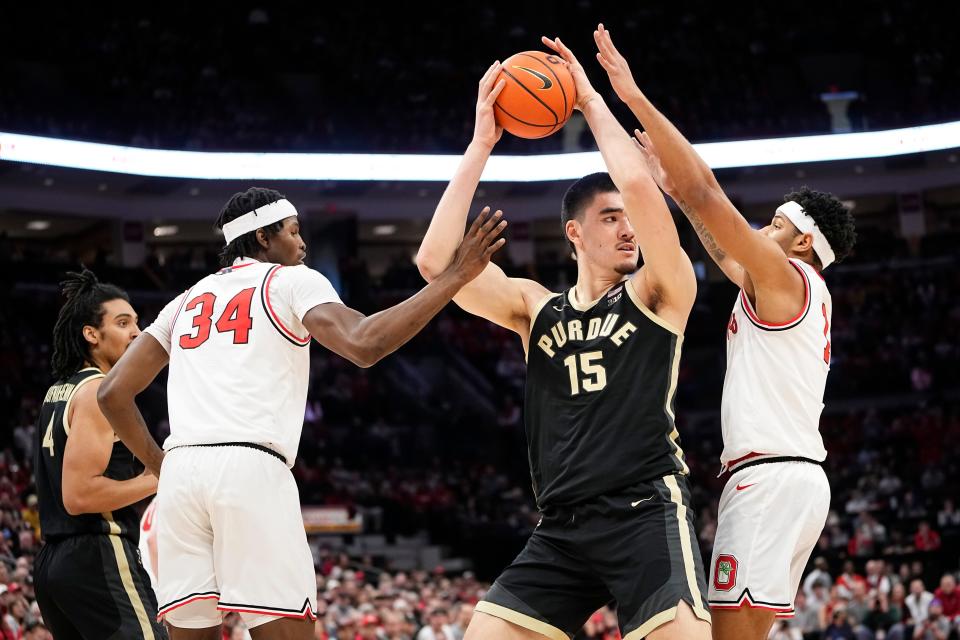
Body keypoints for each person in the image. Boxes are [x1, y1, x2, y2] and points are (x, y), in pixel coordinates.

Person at [98, 187, 505, 640]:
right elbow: (364, 344)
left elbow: (113, 393)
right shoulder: (292, 280)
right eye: (293, 232)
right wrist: (455, 276)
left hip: (179, 481)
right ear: (264, 238)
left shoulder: (185, 300)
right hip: (249, 468)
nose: (303, 244)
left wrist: (162, 466)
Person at [416, 46, 709, 640]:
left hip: (643, 511)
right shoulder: (535, 308)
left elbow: (640, 187)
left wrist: (591, 101)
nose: (628, 227)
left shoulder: (658, 291)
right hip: (563, 527)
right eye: (609, 218)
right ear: (574, 232)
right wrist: (480, 146)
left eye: (630, 217)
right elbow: (434, 262)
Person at [589, 23, 857, 640]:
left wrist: (634, 97)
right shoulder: (790, 287)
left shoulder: (788, 276)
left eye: (773, 223)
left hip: (769, 479)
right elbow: (725, 253)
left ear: (802, 243)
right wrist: (676, 196)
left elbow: (710, 195)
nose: (761, 231)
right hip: (791, 478)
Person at [31, 269, 166, 639]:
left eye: (137, 322)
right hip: (98, 550)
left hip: (54, 562)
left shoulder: (59, 390)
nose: (137, 332)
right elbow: (79, 496)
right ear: (91, 334)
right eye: (123, 323)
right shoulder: (97, 392)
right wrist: (154, 479)